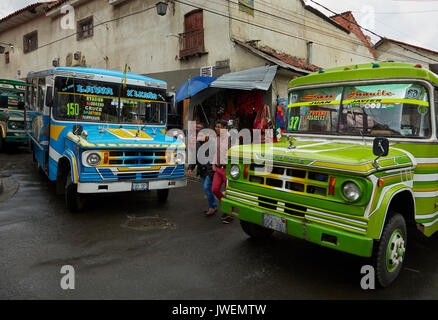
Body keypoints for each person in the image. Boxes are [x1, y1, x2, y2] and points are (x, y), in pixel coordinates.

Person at [188, 132, 217, 216]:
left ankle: (211, 208)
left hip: (209, 170)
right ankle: (214, 206)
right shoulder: (197, 144)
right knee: (207, 190)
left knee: (207, 188)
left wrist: (213, 170)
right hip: (201, 171)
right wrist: (190, 167)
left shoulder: (212, 144)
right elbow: (194, 157)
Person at [212, 119, 234, 224]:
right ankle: (226, 206)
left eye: (219, 127)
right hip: (218, 169)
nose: (216, 129)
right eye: (216, 127)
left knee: (229, 192)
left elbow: (235, 154)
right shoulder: (217, 138)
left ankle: (230, 214)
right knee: (215, 189)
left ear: (225, 128)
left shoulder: (231, 138)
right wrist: (213, 164)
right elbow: (215, 152)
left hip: (227, 169)